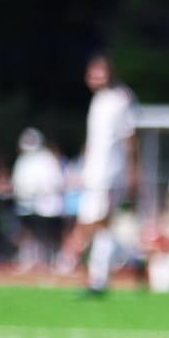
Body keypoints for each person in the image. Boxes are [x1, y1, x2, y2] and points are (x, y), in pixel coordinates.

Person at [56, 54, 139, 294]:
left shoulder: (122, 98)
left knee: (96, 221)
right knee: (98, 225)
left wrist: (133, 169)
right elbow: (94, 141)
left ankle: (92, 274)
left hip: (112, 173)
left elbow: (130, 136)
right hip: (93, 173)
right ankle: (128, 261)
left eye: (98, 72)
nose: (93, 77)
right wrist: (82, 168)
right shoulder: (98, 101)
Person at [11, 128, 68, 270]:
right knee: (28, 232)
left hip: (46, 204)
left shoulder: (46, 158)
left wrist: (41, 191)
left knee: (48, 234)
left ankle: (51, 259)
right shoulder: (23, 160)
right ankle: (30, 257)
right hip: (26, 204)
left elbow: (54, 181)